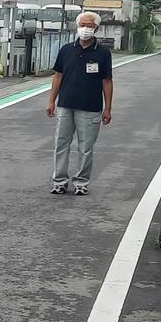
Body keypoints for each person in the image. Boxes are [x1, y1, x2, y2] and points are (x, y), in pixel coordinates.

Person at [46, 11, 114, 196]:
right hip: (65, 104)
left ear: (96, 29)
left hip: (91, 107)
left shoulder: (102, 53)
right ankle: (59, 181)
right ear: (77, 27)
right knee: (61, 144)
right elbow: (57, 76)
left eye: (90, 26)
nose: (85, 29)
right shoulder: (66, 50)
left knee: (85, 147)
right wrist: (51, 101)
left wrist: (107, 108)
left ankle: (81, 182)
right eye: (82, 25)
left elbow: (106, 81)